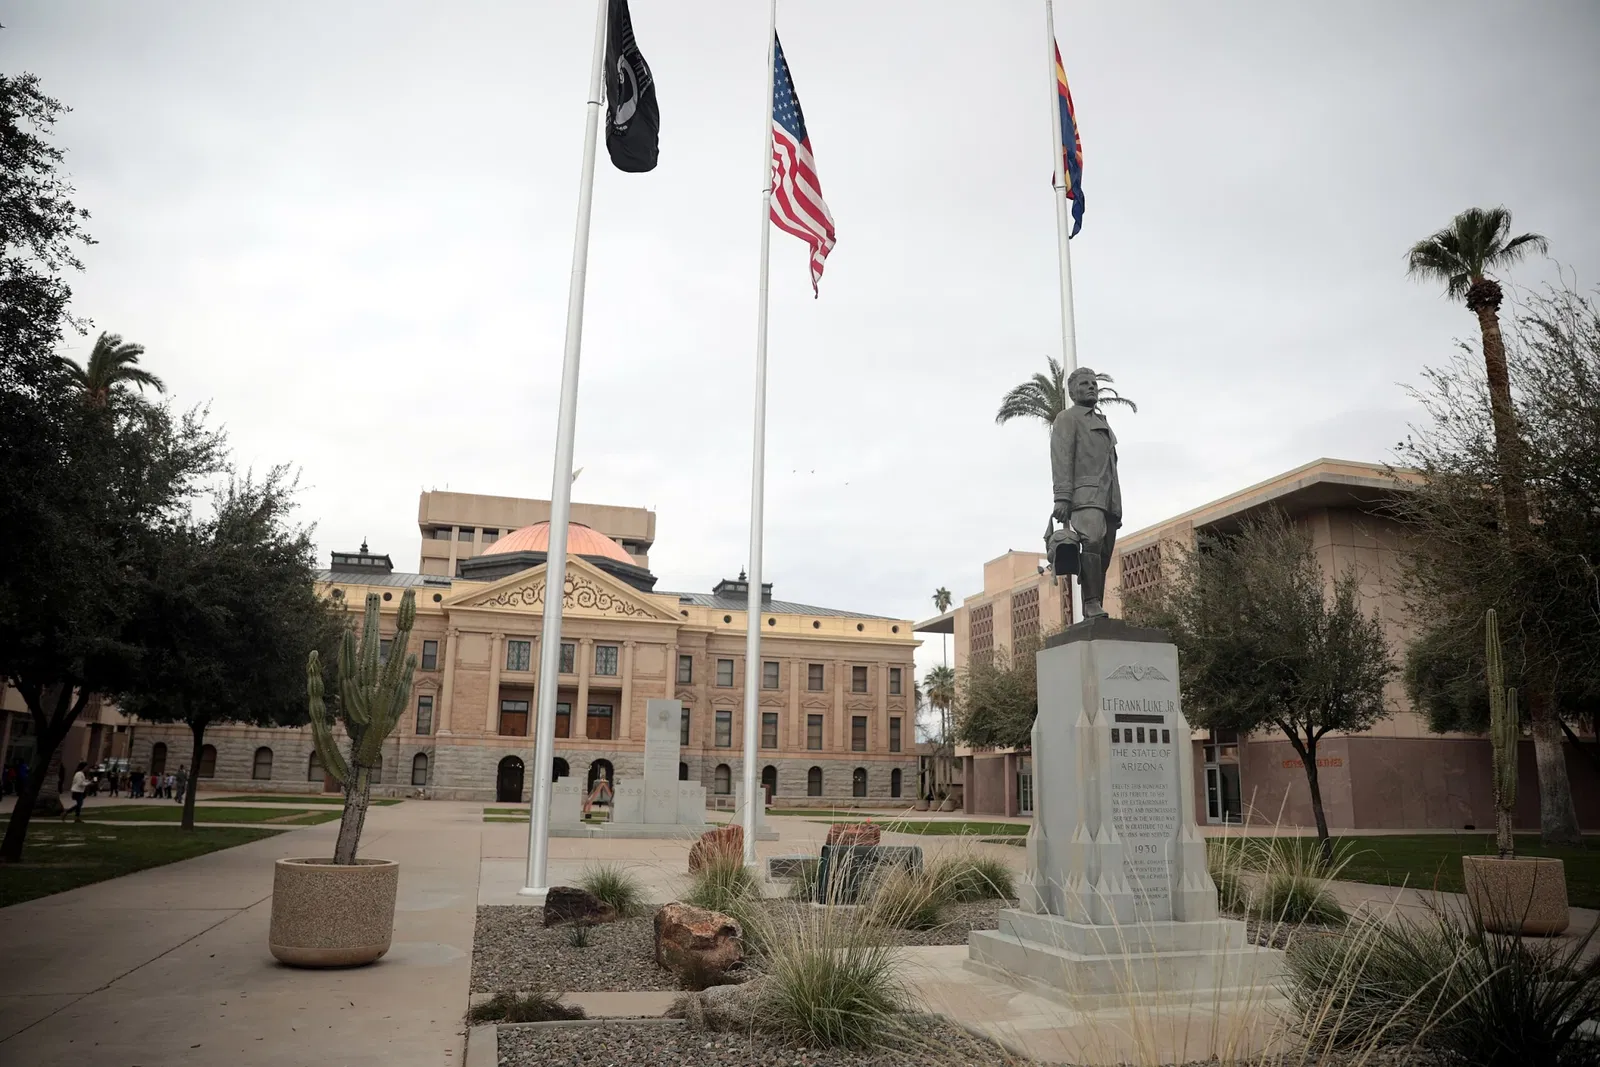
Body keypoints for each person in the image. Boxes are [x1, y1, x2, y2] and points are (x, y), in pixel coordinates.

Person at [1048, 366, 1123, 619]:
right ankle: (1090, 603)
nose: (1091, 386)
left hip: (1108, 498)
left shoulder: (1102, 422)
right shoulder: (1068, 419)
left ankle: (1096, 605)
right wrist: (1062, 496)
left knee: (1103, 553)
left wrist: (1116, 502)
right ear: (1071, 391)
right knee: (1091, 542)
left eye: (1094, 383)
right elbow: (1061, 457)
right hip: (1085, 495)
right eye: (1084, 383)